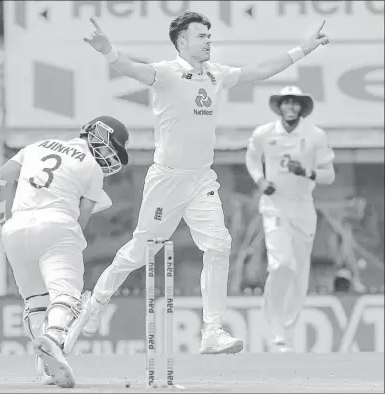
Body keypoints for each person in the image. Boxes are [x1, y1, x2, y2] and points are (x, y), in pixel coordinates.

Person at [82, 12, 330, 354]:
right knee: (141, 252)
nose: (209, 40)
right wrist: (108, 50)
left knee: (219, 245)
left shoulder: (216, 74)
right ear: (182, 41)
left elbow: (260, 70)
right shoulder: (167, 73)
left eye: (209, 35)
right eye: (201, 36)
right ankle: (95, 302)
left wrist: (303, 49)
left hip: (201, 180)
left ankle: (212, 330)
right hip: (166, 181)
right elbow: (132, 69)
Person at [0, 116, 129, 387]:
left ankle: (48, 365)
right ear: (98, 135)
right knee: (67, 295)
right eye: (111, 149)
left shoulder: (36, 146)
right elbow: (81, 220)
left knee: (36, 300)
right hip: (57, 226)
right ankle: (55, 338)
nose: (109, 157)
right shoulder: (91, 168)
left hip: (15, 229)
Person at [245, 86, 335, 352]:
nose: (291, 108)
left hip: (303, 210)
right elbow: (251, 159)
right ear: (279, 107)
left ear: (302, 108)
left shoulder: (315, 135)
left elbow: (329, 174)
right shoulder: (263, 133)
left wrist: (307, 172)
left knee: (299, 273)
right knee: (281, 264)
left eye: (295, 104)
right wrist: (260, 181)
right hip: (274, 207)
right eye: (286, 103)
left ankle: (286, 330)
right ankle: (275, 328)